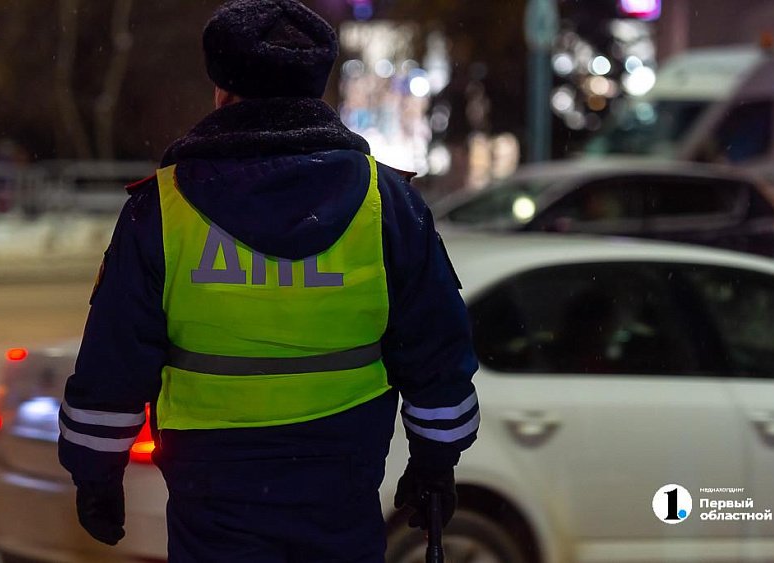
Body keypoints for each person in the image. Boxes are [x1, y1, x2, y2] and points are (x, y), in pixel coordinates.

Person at [57, 1, 479, 561]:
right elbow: (435, 347)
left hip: (213, 499)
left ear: (222, 91)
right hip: (341, 488)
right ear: (317, 90)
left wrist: (95, 473)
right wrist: (435, 461)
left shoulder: (162, 208)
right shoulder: (388, 204)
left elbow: (115, 356)